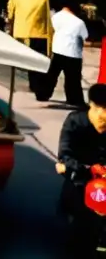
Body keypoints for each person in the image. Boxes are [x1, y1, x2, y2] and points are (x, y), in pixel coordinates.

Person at [57, 83, 106, 251]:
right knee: (80, 224)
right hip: (80, 179)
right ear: (92, 104)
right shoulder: (74, 122)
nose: (105, 115)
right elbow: (65, 154)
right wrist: (87, 168)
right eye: (102, 109)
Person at [41, 0, 89, 106]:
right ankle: (74, 99)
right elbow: (85, 36)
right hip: (73, 53)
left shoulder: (55, 17)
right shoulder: (78, 22)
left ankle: (43, 94)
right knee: (73, 78)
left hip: (57, 48)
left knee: (52, 74)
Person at [6, 0, 51, 95]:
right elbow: (47, 20)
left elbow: (10, 12)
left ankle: (33, 85)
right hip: (39, 34)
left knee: (30, 61)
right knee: (37, 61)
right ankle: (37, 86)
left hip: (21, 33)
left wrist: (10, 23)